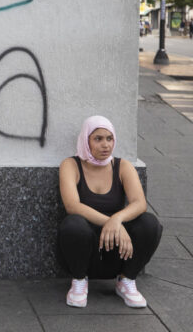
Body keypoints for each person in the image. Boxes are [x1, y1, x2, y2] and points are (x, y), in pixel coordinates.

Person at [57, 116, 162, 308]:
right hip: (84, 251)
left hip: (118, 250)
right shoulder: (71, 165)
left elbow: (139, 203)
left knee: (150, 223)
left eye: (109, 138)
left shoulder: (123, 166)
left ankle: (126, 280)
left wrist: (117, 220)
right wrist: (110, 222)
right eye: (98, 139)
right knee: (73, 224)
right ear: (86, 140)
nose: (105, 145)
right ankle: (79, 281)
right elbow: (72, 205)